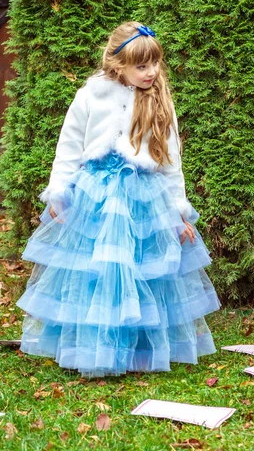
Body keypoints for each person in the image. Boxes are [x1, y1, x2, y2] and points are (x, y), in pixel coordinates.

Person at [16, 21, 220, 378]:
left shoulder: (160, 103)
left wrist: (178, 212)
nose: (151, 72)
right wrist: (59, 191)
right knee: (96, 272)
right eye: (141, 66)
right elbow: (69, 146)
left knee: (144, 271)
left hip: (143, 195)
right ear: (117, 65)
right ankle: (95, 346)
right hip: (95, 194)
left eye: (155, 64)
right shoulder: (91, 95)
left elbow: (171, 164)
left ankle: (138, 348)